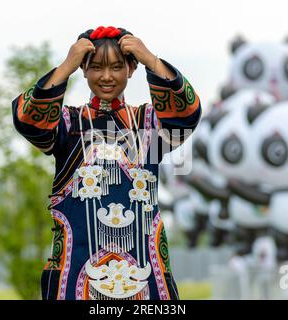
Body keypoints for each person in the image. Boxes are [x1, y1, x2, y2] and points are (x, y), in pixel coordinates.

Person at [12, 26, 202, 300]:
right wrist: (67, 65)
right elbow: (28, 121)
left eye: (116, 67)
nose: (106, 77)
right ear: (84, 70)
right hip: (75, 270)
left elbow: (186, 116)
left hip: (144, 276)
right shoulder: (67, 124)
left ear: (131, 69)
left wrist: (150, 59)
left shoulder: (149, 125)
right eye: (96, 67)